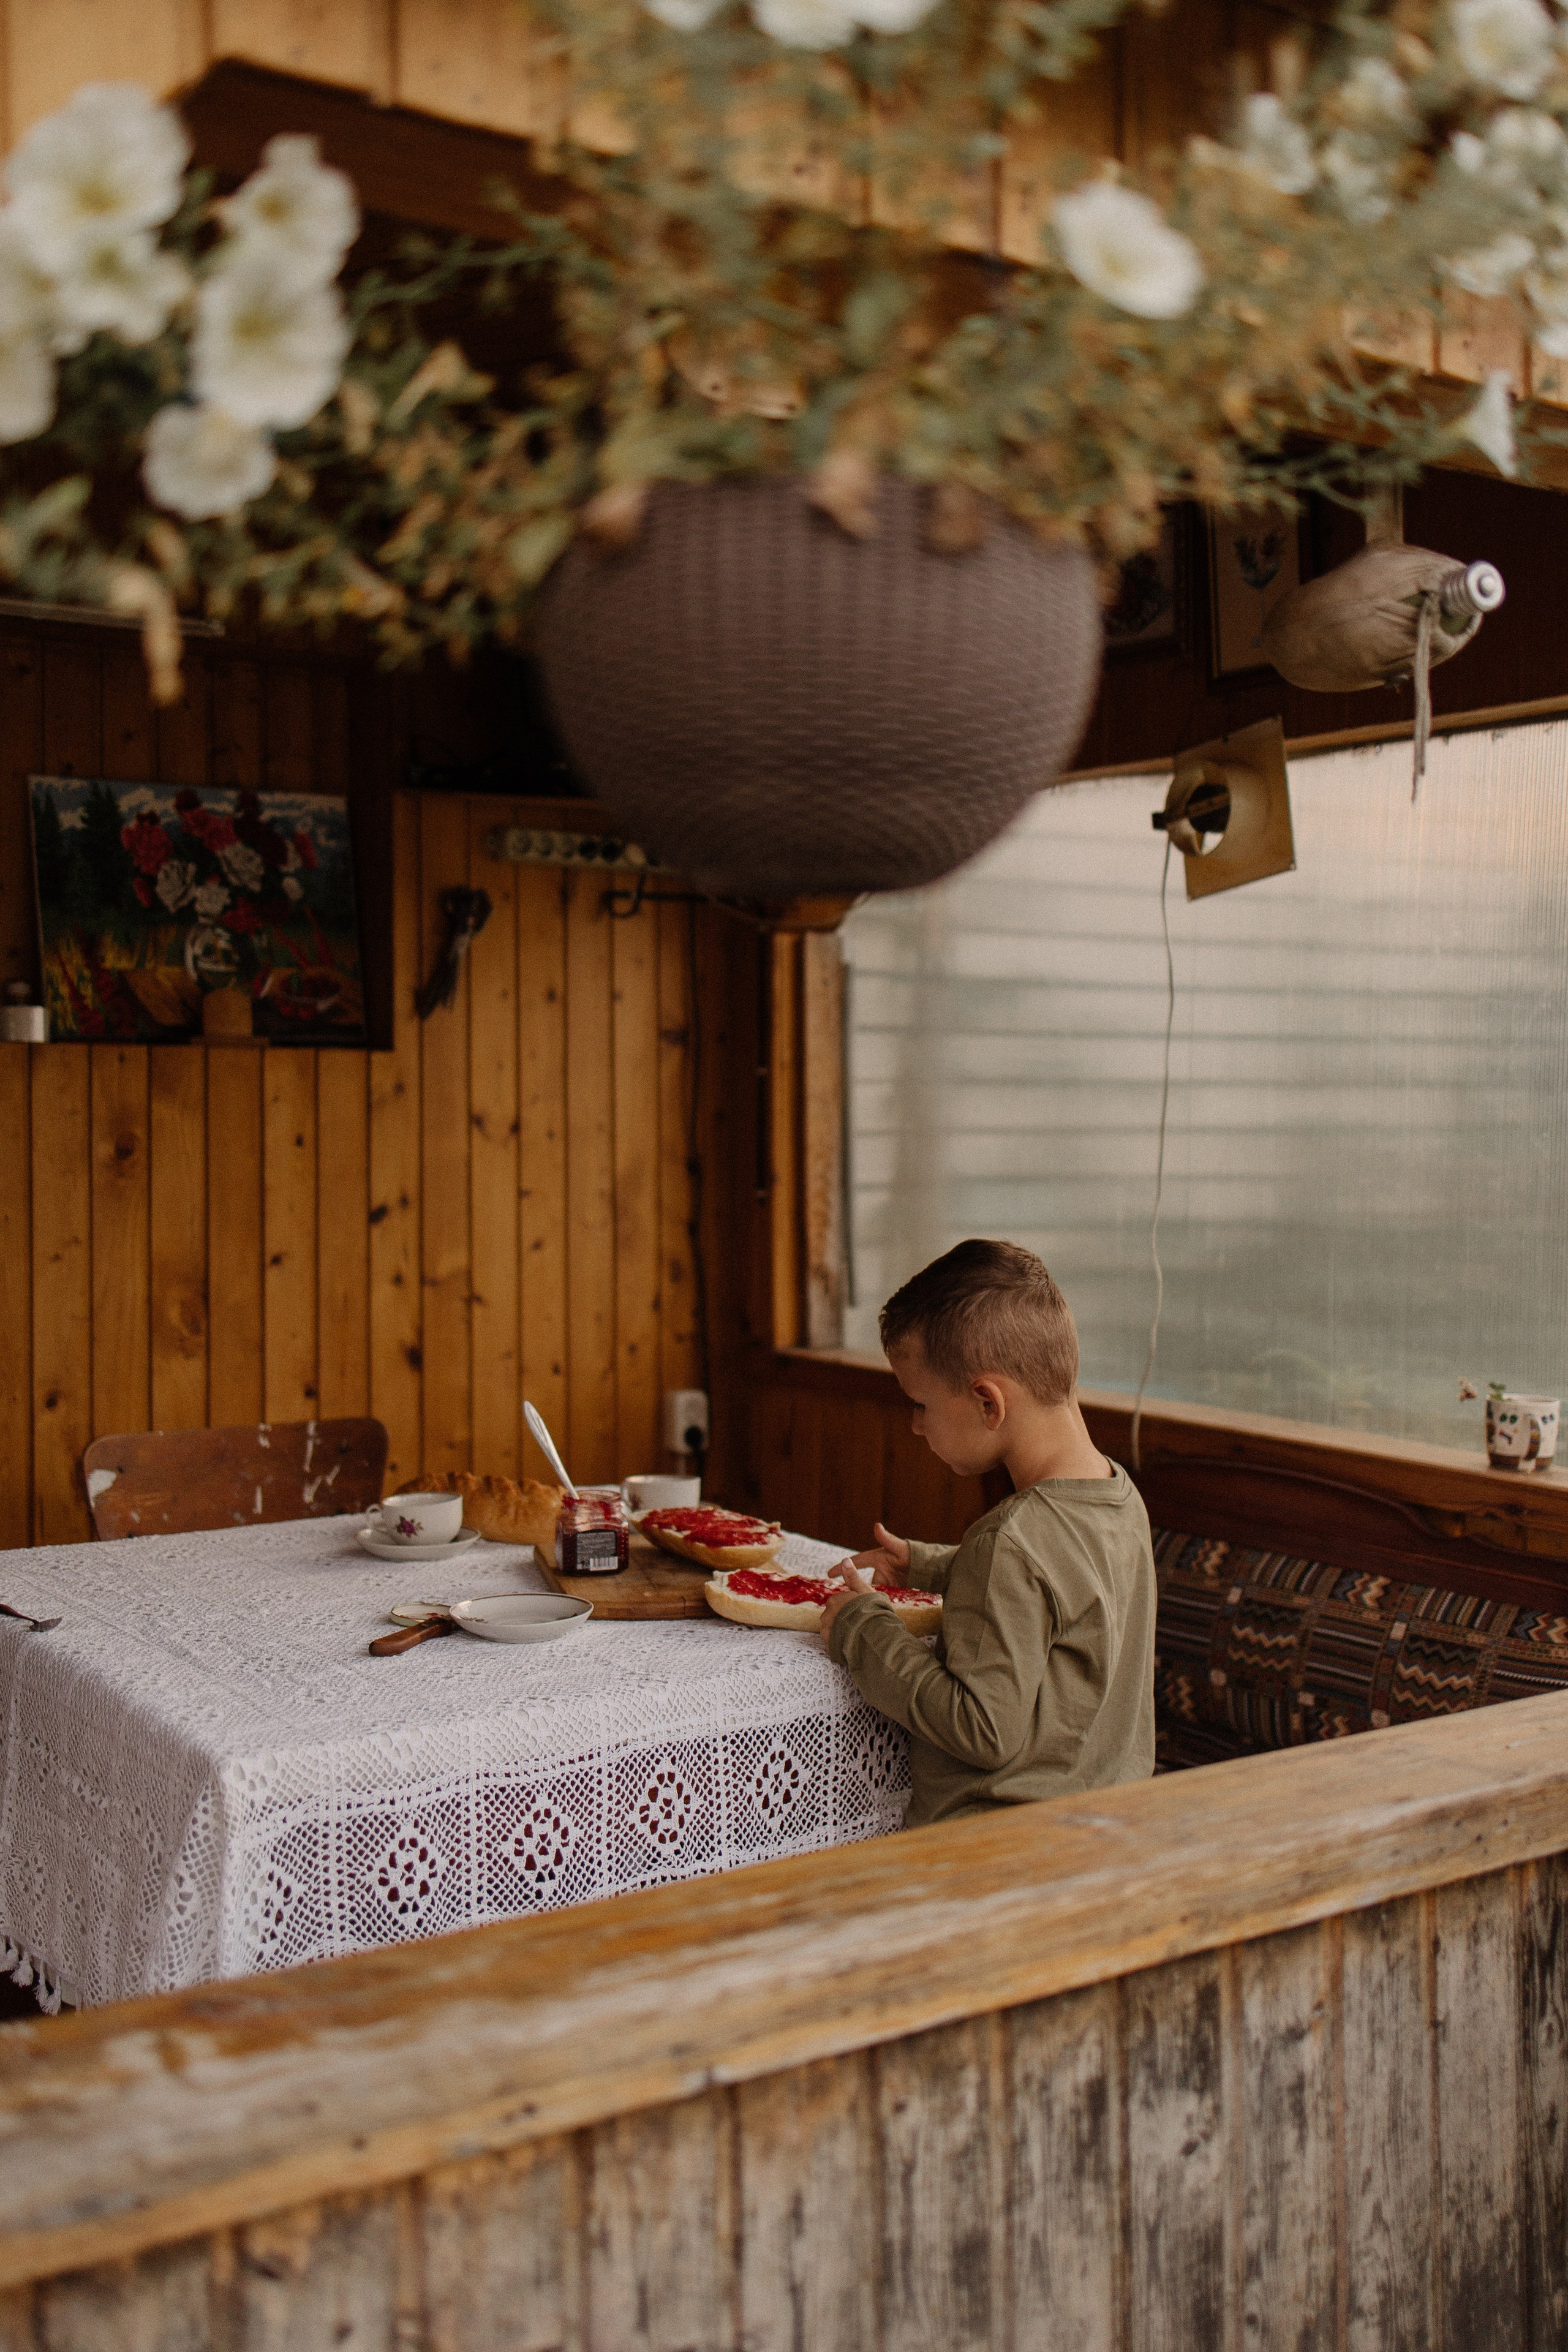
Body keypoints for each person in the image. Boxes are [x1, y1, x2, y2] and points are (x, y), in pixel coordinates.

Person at [821, 1237, 1155, 1827]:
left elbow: (981, 1729)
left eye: (920, 1403)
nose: (917, 1427)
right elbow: (1061, 1591)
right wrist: (924, 1565)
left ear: (987, 1402)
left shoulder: (1012, 1539)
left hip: (993, 1852)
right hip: (1105, 1831)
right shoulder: (1118, 1497)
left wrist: (862, 1626)